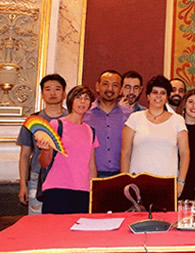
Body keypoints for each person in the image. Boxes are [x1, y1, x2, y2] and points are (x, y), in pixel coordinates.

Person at [121, 75, 190, 197]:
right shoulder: (135, 118)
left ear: (167, 97)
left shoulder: (177, 120)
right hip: (137, 183)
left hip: (167, 183)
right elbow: (125, 152)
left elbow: (185, 154)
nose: (158, 96)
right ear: (148, 96)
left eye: (163, 93)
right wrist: (125, 181)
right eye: (155, 92)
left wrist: (181, 181)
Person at [36, 86, 98, 214]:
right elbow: (44, 163)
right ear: (71, 101)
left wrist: (94, 190)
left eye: (86, 98)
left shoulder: (90, 131)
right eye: (78, 97)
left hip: (83, 190)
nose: (82, 101)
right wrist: (45, 149)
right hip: (57, 188)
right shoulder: (56, 125)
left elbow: (91, 164)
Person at [17, 74, 67, 214]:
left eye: (57, 89)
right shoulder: (33, 121)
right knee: (36, 219)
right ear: (42, 93)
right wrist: (23, 185)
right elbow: (25, 156)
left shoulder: (71, 119)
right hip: (37, 177)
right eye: (48, 89)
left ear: (63, 93)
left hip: (65, 177)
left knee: (62, 220)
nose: (52, 93)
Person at [84, 70, 133, 178]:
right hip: (90, 177)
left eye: (115, 85)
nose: (110, 89)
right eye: (105, 84)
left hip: (121, 176)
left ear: (120, 90)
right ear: (97, 86)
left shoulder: (131, 116)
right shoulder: (84, 115)